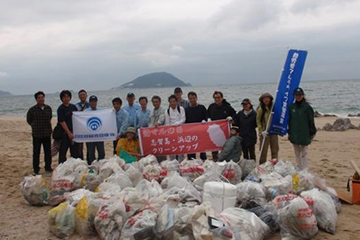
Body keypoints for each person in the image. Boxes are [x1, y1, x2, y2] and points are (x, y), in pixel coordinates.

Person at [288, 88, 317, 170]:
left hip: (305, 133)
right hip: (294, 133)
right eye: (296, 95)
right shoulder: (291, 107)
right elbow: (289, 121)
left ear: (303, 95)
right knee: (297, 153)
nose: (298, 96)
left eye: (300, 95)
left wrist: (312, 133)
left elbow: (311, 121)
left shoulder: (307, 107)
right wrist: (289, 132)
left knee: (304, 153)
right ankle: (299, 168)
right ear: (294, 96)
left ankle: (304, 169)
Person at [26, 91, 53, 174]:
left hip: (47, 133)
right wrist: (34, 126)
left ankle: (48, 167)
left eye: (42, 97)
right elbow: (29, 120)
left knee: (48, 152)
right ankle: (36, 169)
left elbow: (50, 118)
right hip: (37, 134)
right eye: (39, 97)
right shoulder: (32, 110)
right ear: (36, 99)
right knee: (36, 152)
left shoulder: (48, 108)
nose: (41, 99)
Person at [207, 91, 236, 161]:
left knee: (225, 148)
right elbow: (207, 115)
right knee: (214, 148)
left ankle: (225, 161)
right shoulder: (211, 107)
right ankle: (215, 161)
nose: (217, 99)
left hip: (225, 132)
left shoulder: (227, 106)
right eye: (215, 97)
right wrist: (208, 119)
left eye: (218, 97)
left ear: (222, 98)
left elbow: (235, 114)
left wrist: (231, 117)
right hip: (214, 132)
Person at [57, 90, 79, 163]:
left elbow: (77, 118)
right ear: (61, 98)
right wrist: (69, 133)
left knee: (74, 153)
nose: (66, 98)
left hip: (73, 133)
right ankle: (61, 168)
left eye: (68, 97)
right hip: (64, 133)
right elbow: (62, 122)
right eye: (64, 97)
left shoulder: (73, 107)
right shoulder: (60, 109)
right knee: (63, 152)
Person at [257, 92, 279, 164]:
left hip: (273, 132)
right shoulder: (261, 109)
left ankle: (274, 164)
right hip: (264, 133)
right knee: (263, 151)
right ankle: (262, 165)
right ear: (262, 100)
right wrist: (261, 131)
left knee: (275, 150)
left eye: (268, 98)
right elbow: (258, 120)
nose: (266, 100)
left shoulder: (274, 108)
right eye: (264, 98)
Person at [185, 91, 207, 160]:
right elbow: (185, 121)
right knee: (191, 150)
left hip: (201, 131)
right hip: (191, 132)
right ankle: (192, 165)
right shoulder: (186, 109)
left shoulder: (202, 107)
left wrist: (205, 120)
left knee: (202, 150)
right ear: (188, 99)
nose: (192, 100)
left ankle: (203, 163)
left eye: (193, 98)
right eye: (190, 98)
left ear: (196, 98)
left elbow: (206, 117)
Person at [85, 95, 105, 164]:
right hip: (90, 136)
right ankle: (92, 166)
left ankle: (101, 165)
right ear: (89, 103)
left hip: (99, 136)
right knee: (91, 153)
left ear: (96, 102)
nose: (93, 103)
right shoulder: (85, 112)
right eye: (92, 102)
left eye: (94, 101)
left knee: (101, 152)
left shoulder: (101, 111)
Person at [165, 95, 186, 161]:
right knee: (172, 150)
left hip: (180, 132)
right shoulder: (167, 111)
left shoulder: (181, 109)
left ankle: (181, 163)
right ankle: (172, 164)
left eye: (174, 101)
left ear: (177, 102)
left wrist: (177, 123)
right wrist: (172, 127)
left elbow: (183, 119)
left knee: (181, 150)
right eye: (171, 102)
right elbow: (167, 123)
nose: (173, 103)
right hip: (171, 133)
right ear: (169, 103)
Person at [75, 89, 90, 160]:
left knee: (89, 146)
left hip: (88, 128)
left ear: (86, 96)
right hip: (79, 128)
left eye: (83, 95)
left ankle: (89, 160)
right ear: (78, 97)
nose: (82, 96)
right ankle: (81, 160)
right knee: (79, 147)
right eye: (80, 95)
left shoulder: (90, 105)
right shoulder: (76, 106)